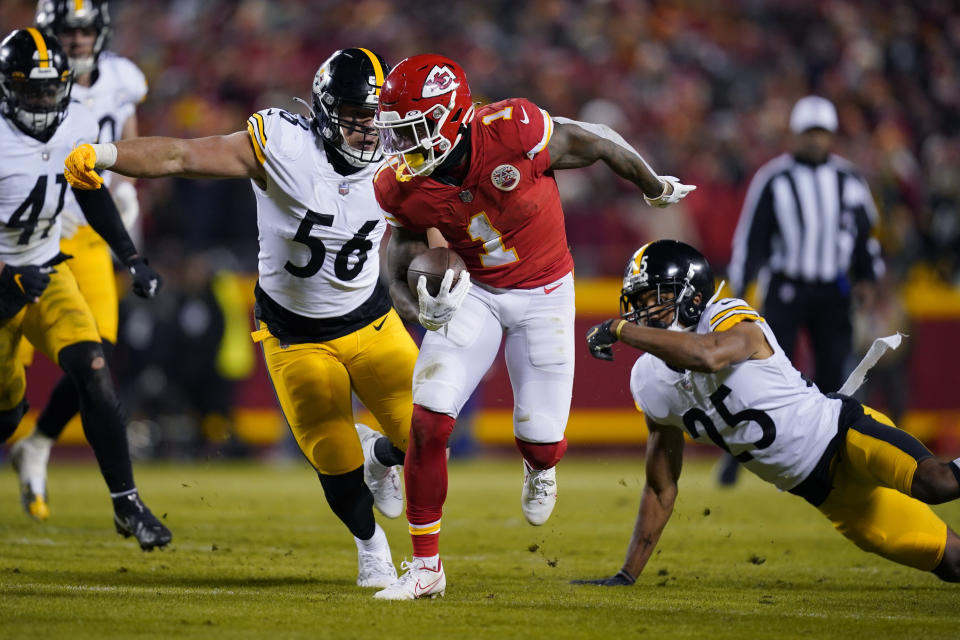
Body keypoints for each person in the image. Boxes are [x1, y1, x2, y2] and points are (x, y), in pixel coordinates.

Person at [64, 47, 421, 588]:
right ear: (326, 111)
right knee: (332, 453)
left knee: (425, 434)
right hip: (296, 333)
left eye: (374, 115)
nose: (367, 130)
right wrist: (107, 154)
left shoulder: (402, 153)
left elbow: (432, 219)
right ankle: (370, 545)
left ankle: (383, 456)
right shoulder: (282, 146)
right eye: (353, 115)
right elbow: (183, 156)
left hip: (371, 321)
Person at [369, 54, 696, 600]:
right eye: (395, 134)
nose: (402, 148)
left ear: (450, 116)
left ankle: (539, 467)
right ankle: (426, 568)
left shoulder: (512, 129)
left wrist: (652, 184)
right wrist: (411, 306)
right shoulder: (400, 183)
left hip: (545, 292)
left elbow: (596, 139)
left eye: (412, 131)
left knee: (541, 441)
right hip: (472, 291)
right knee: (430, 417)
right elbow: (399, 246)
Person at [574, 239, 960, 586]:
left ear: (692, 297)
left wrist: (619, 329)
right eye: (637, 304)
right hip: (827, 495)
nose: (643, 314)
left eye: (653, 299)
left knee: (938, 483)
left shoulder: (727, 314)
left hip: (843, 435)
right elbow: (661, 487)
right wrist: (627, 574)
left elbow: (708, 356)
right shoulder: (648, 380)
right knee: (953, 562)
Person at [0, 28, 169, 550]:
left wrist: (133, 258)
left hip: (49, 269)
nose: (46, 102)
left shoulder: (76, 120)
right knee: (6, 412)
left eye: (54, 90)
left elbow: (90, 191)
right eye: (34, 91)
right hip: (4, 279)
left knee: (93, 369)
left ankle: (127, 504)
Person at [719, 95, 885, 486]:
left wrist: (868, 279)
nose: (815, 140)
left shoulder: (849, 180)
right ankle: (739, 455)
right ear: (794, 135)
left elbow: (866, 236)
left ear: (831, 136)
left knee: (834, 375)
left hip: (833, 289)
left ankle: (831, 457)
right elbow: (751, 240)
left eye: (821, 133)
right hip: (786, 288)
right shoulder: (774, 179)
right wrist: (740, 292)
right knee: (762, 374)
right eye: (808, 133)